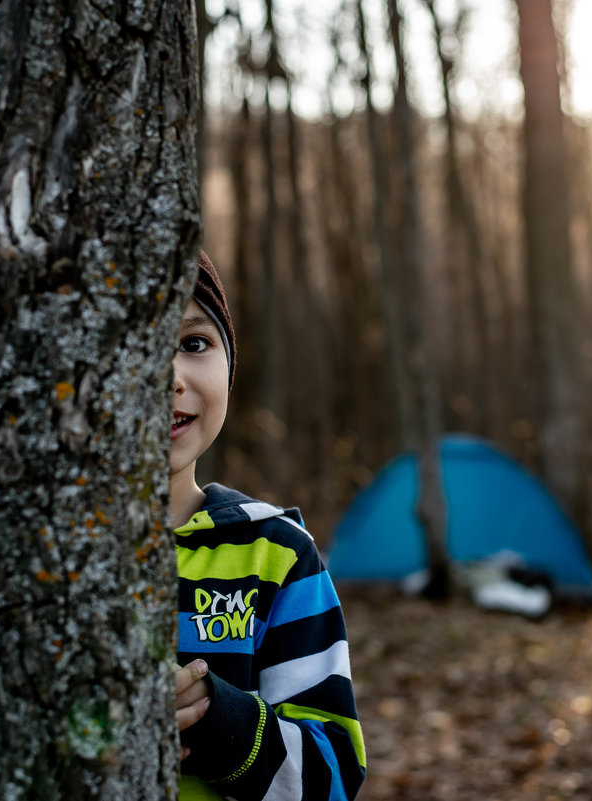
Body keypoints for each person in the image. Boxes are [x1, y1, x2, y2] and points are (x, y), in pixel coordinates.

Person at [170, 251, 365, 801]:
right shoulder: (36, 561)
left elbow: (334, 776)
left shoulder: (275, 555)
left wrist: (218, 722)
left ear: (229, 363)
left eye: (193, 343)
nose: (171, 378)